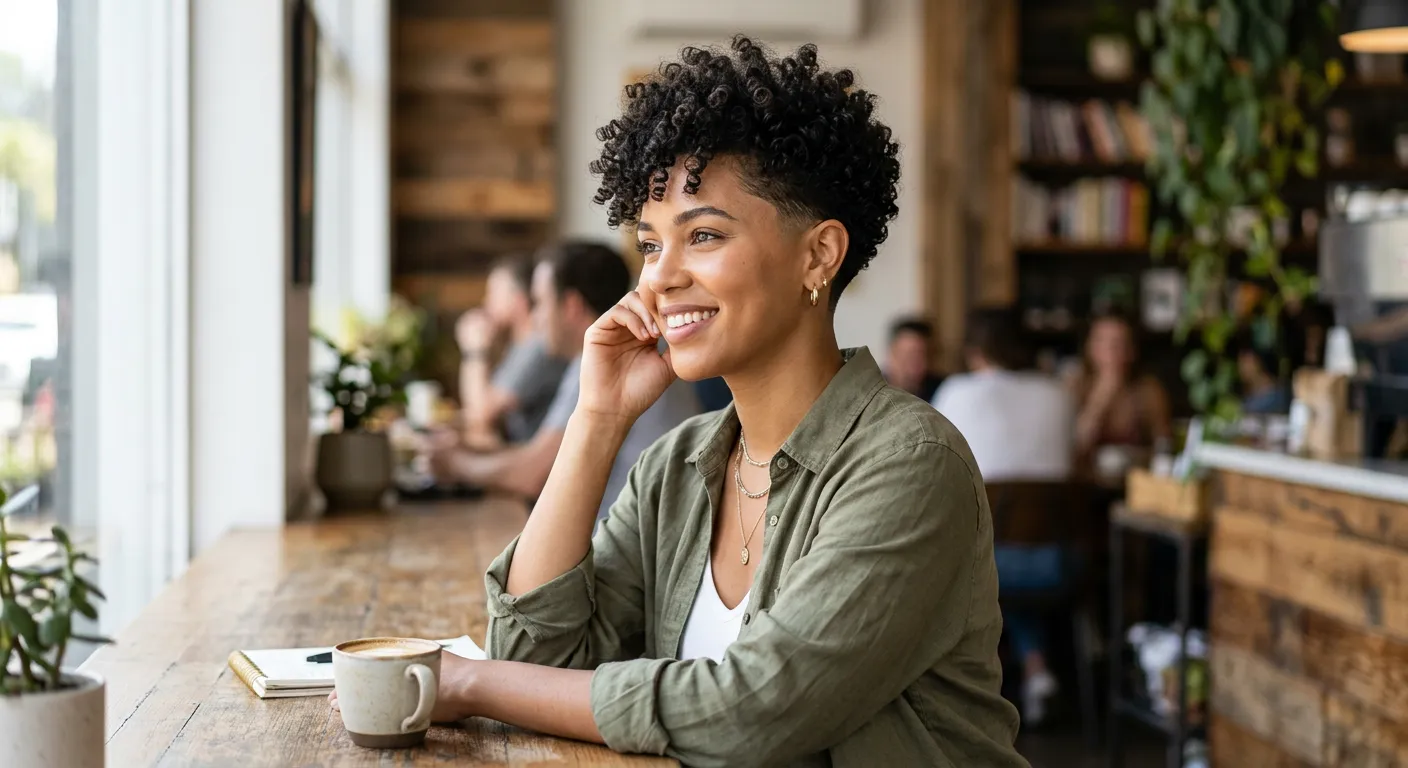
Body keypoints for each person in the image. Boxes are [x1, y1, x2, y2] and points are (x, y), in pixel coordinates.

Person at [360, 37, 1025, 766]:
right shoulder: (679, 464)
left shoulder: (909, 464)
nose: (657, 280)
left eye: (702, 235)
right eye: (650, 245)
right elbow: (534, 650)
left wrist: (476, 684)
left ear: (819, 256)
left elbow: (754, 711)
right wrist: (599, 418)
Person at [431, 241, 700, 522]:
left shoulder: (610, 359)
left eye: (540, 303)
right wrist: (467, 451)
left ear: (571, 306)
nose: (534, 319)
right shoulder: (617, 349)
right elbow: (544, 456)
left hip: (627, 553)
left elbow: (534, 474)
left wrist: (456, 465)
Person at [932, 308, 1075, 725]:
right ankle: (1036, 669)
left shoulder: (956, 392)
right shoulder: (1059, 393)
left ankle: (981, 685)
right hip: (1058, 562)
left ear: (975, 351)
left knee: (983, 558)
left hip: (980, 567)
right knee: (1002, 559)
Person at [457, 254, 568, 445]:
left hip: (533, 463)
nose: (486, 301)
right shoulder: (518, 345)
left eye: (494, 292)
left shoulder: (538, 347)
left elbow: (480, 414)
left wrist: (474, 351)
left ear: (519, 300)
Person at [1067, 312, 1172, 471]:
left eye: (1119, 344)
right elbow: (1074, 447)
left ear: (1132, 351)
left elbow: (1164, 447)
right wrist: (1101, 397)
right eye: (1102, 342)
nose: (1111, 352)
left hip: (1134, 478)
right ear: (1089, 348)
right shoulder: (1075, 386)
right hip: (1084, 485)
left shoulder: (1148, 390)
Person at [884, 316, 944, 401]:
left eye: (923, 356)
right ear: (892, 353)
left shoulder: (943, 390)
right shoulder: (870, 390)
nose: (915, 365)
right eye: (909, 356)